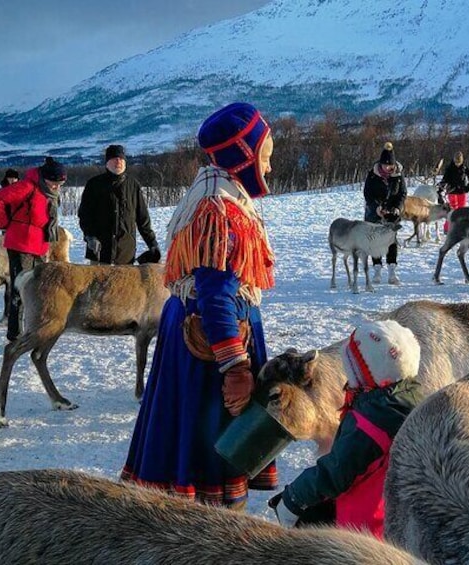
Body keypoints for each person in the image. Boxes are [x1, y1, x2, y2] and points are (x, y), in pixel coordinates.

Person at [121, 102, 277, 509]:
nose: (270, 167)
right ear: (242, 156)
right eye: (265, 156)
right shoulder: (220, 210)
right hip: (209, 344)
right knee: (209, 438)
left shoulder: (216, 194)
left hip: (196, 331)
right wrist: (237, 367)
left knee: (188, 435)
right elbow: (215, 291)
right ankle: (212, 526)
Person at [268, 320, 423, 538]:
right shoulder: (407, 397)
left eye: (350, 367)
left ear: (364, 373)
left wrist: (292, 499)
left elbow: (335, 473)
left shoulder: (369, 424)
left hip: (363, 524)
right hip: (386, 509)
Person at [0, 157, 66, 341]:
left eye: (60, 183)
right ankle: (15, 334)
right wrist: (5, 223)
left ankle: (35, 327)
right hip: (20, 244)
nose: (56, 187)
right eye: (54, 182)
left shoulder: (49, 192)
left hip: (40, 244)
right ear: (44, 177)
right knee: (20, 288)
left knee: (37, 288)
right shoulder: (27, 187)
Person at [77, 144, 160, 265]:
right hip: (99, 252)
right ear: (107, 163)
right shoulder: (94, 184)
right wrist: (90, 237)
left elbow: (143, 219)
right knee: (99, 284)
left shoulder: (133, 185)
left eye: (121, 159)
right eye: (114, 159)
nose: (118, 161)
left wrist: (152, 243)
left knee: (124, 284)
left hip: (125, 253)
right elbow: (85, 215)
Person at [363, 142, 406, 284]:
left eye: (390, 165)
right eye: (385, 165)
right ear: (380, 164)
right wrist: (376, 207)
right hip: (374, 212)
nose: (387, 168)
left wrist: (397, 207)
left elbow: (402, 194)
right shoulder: (373, 175)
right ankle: (377, 271)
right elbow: (368, 194)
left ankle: (392, 272)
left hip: (392, 213)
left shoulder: (398, 175)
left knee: (391, 241)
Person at [438, 150, 469, 233]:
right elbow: (445, 180)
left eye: (459, 163)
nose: (457, 164)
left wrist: (468, 187)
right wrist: (440, 190)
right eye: (456, 162)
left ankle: (459, 228)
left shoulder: (464, 167)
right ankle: (447, 228)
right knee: (452, 211)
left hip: (462, 192)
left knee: (462, 211)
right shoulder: (449, 168)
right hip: (452, 191)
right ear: (454, 160)